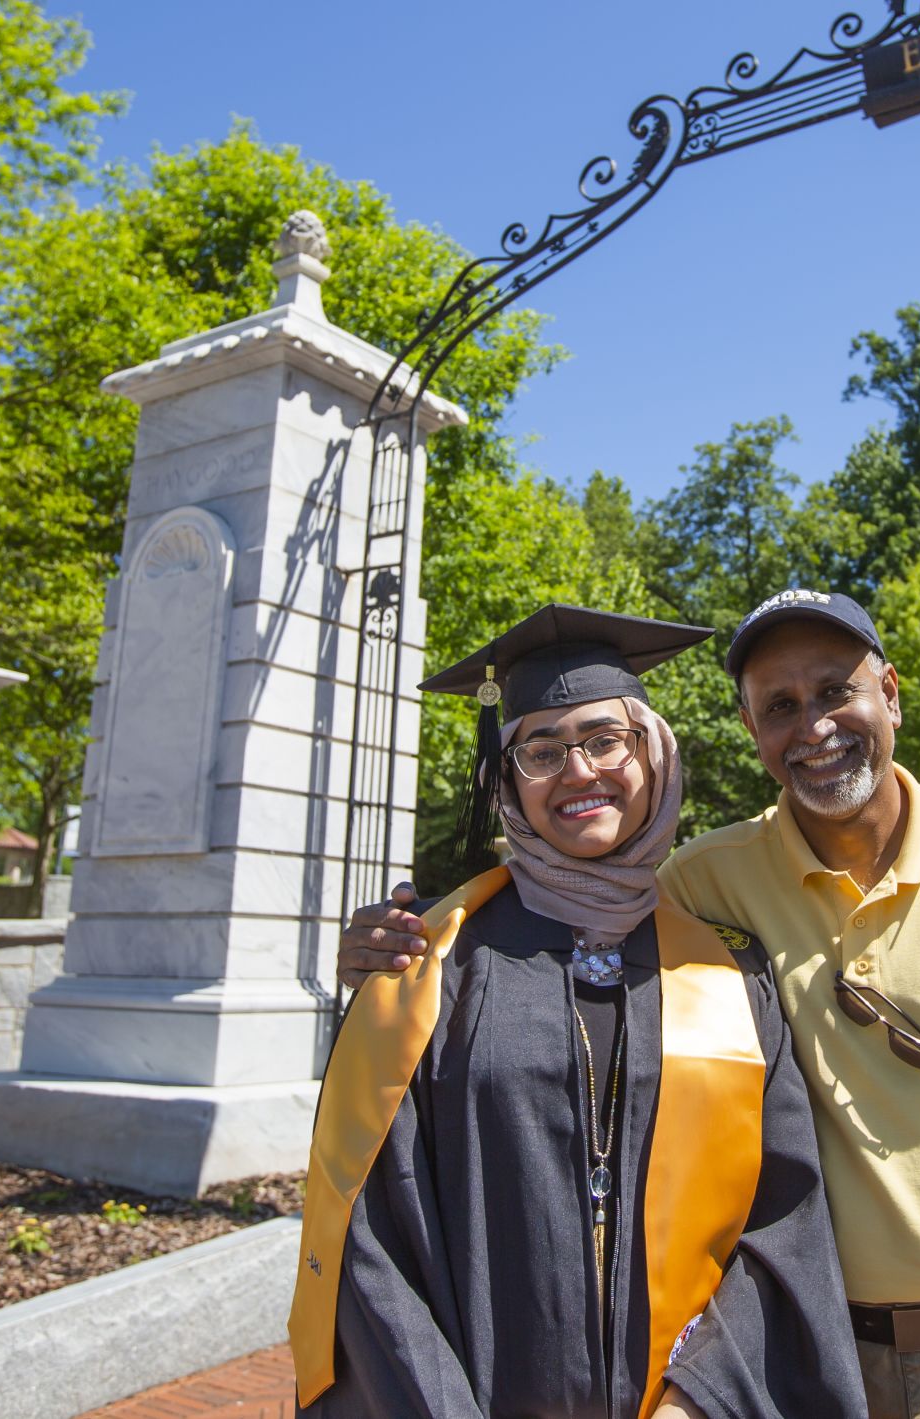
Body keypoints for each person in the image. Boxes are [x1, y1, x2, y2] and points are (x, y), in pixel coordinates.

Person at [343, 589, 920, 1419]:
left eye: (836, 690)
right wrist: (386, 954)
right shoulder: (695, 893)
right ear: (751, 729)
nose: (815, 725)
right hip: (819, 1366)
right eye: (780, 704)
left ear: (890, 693)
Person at [290, 603, 866, 1419]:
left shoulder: (730, 974)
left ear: (655, 751)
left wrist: (701, 1401)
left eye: (606, 739)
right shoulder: (424, 974)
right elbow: (368, 1236)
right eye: (541, 749)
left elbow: (785, 1222)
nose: (579, 770)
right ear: (504, 780)